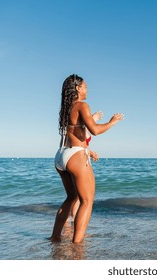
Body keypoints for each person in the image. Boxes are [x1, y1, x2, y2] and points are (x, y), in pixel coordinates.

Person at [51, 74, 124, 243]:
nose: (87, 89)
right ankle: (77, 244)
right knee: (87, 201)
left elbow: (76, 132)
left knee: (71, 198)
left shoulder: (67, 108)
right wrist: (112, 122)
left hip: (61, 155)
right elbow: (95, 131)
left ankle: (54, 237)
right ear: (77, 88)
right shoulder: (82, 105)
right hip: (76, 155)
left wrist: (89, 151)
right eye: (84, 86)